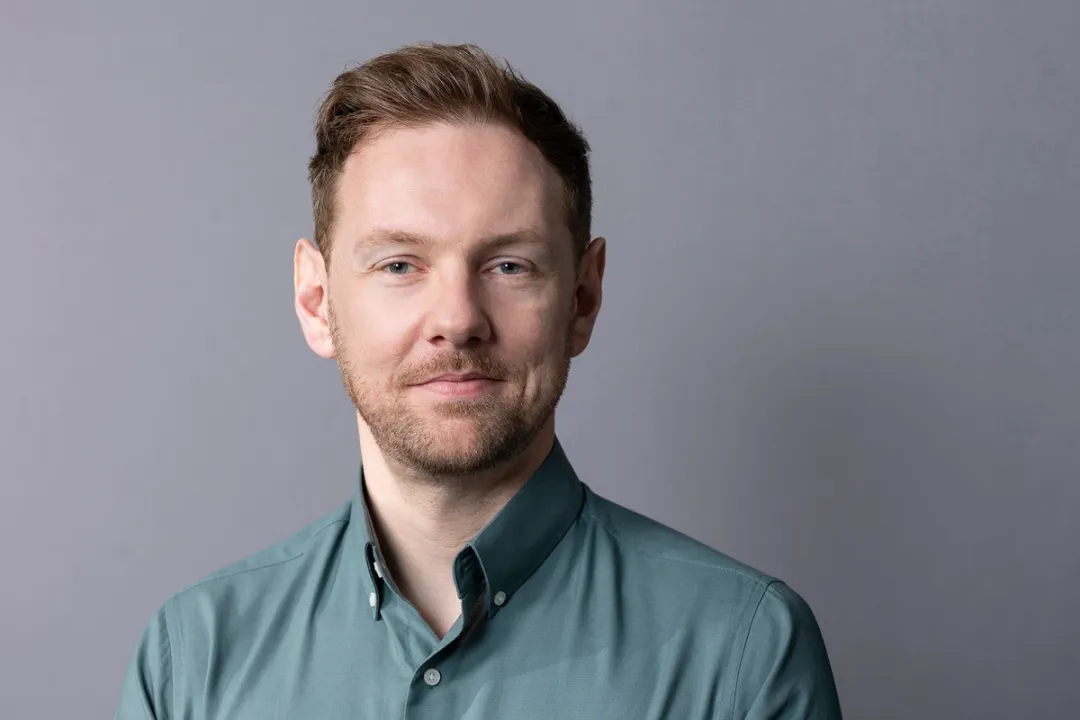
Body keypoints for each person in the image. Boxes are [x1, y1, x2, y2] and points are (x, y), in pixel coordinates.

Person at [116, 42, 842, 719]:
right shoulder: (192, 663)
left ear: (582, 300)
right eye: (399, 264)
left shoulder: (744, 655)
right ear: (317, 301)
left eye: (509, 266)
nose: (458, 320)